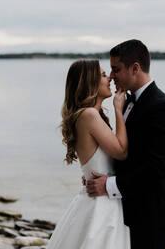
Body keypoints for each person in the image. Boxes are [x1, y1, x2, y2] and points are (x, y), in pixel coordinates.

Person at [86, 39, 165, 249]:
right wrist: (99, 174)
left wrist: (109, 185)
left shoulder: (162, 108)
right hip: (128, 208)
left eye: (116, 69)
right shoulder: (126, 101)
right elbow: (126, 155)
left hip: (153, 214)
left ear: (135, 68)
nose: (111, 76)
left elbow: (157, 169)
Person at [47, 59, 131, 249]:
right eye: (102, 75)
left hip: (100, 198)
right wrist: (119, 110)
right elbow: (121, 151)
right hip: (101, 206)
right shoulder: (89, 115)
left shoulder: (91, 115)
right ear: (89, 81)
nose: (109, 77)